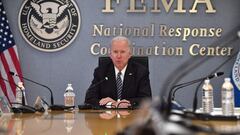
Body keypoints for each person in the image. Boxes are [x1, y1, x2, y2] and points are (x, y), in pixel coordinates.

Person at [84, 36, 152, 108]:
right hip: (106, 117)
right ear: (110, 55)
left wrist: (127, 103)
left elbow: (146, 99)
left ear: (129, 54)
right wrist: (110, 104)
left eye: (122, 52)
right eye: (115, 52)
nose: (118, 56)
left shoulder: (140, 72)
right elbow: (89, 99)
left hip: (132, 117)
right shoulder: (101, 72)